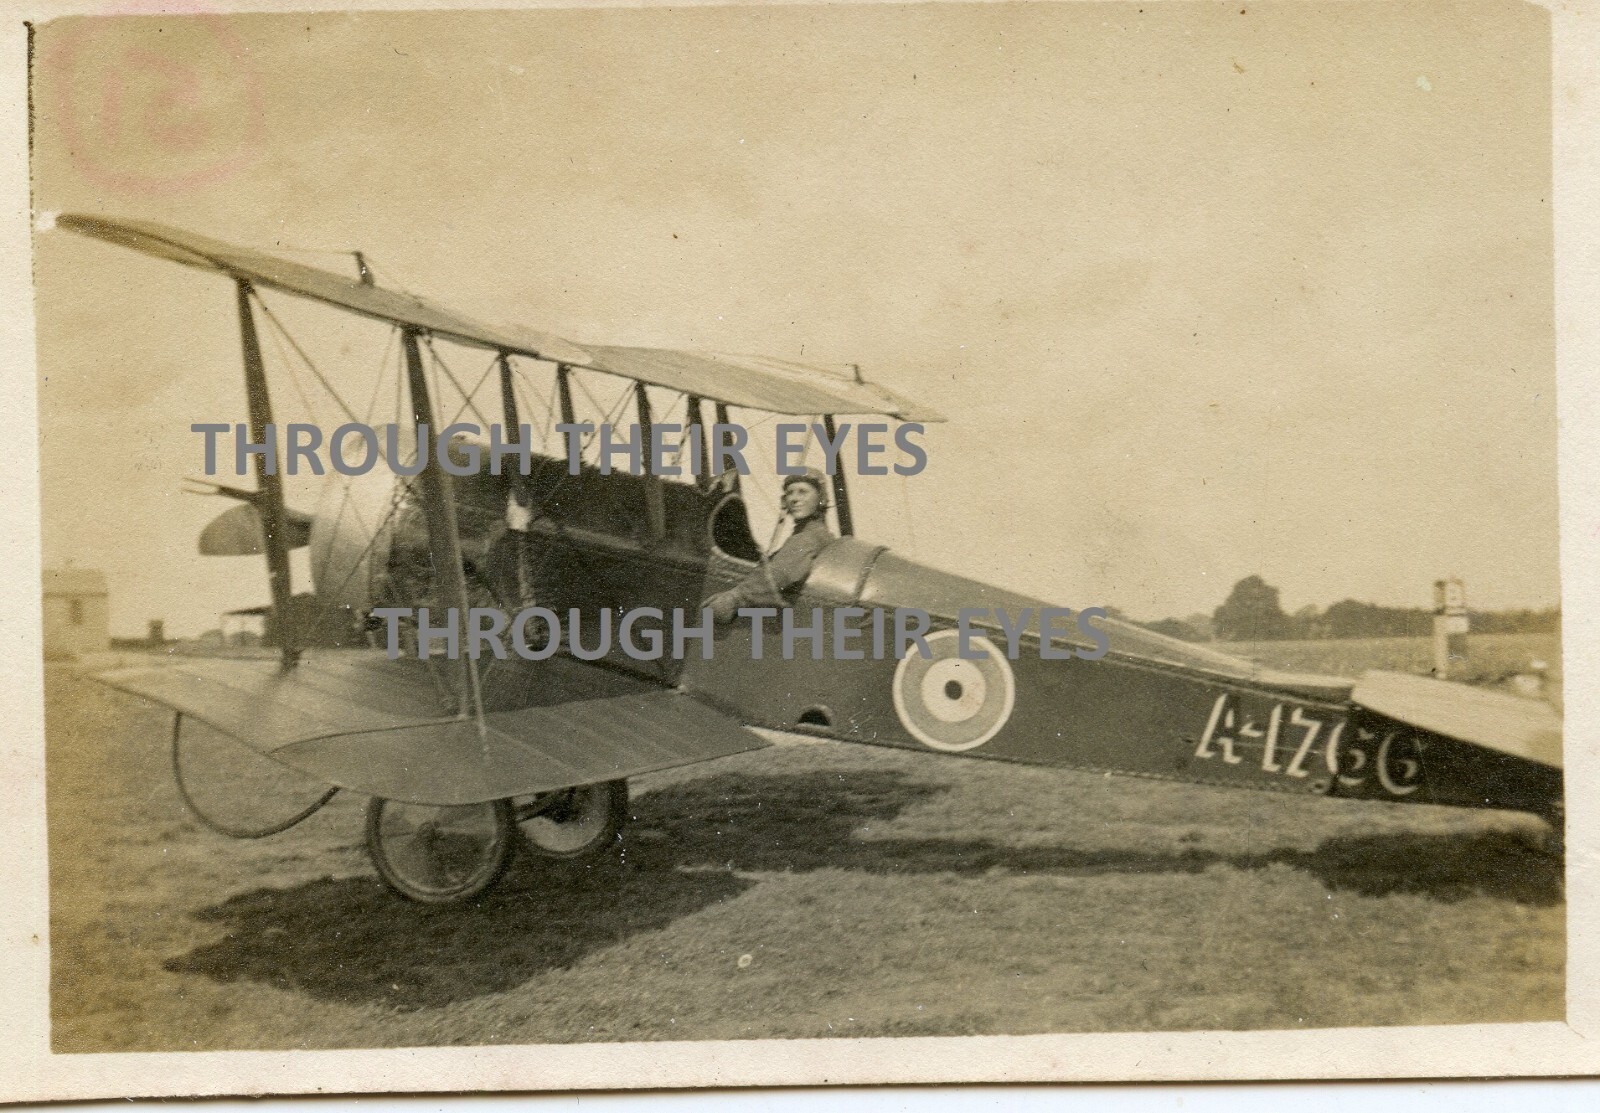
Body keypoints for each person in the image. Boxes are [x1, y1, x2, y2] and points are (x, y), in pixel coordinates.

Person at [703, 467, 835, 623]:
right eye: (790, 493)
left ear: (821, 498)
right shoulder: (817, 534)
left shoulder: (807, 538)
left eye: (802, 492)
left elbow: (778, 575)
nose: (794, 498)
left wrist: (733, 599)